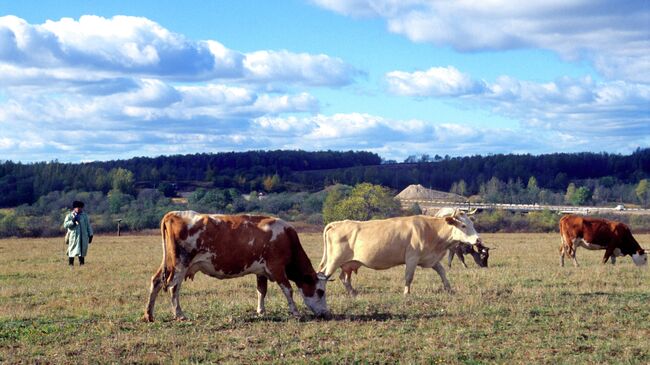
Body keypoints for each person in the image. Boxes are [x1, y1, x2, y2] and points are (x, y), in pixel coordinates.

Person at [63, 200, 93, 266]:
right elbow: (65, 225)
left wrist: (91, 234)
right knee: (72, 251)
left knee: (82, 251)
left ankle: (82, 265)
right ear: (74, 208)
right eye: (77, 207)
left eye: (80, 207)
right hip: (73, 237)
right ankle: (71, 265)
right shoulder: (69, 216)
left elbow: (88, 225)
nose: (79, 209)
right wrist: (72, 221)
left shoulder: (84, 216)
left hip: (83, 237)